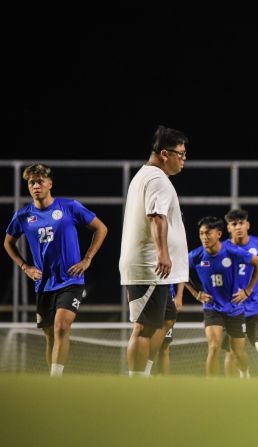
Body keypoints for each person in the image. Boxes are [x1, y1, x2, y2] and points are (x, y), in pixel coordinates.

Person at [4, 163, 108, 376]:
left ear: (50, 183)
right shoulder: (23, 216)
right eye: (31, 182)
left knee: (61, 326)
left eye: (40, 181)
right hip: (43, 284)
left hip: (71, 281)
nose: (36, 186)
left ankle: (56, 380)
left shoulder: (69, 207)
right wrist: (25, 267)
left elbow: (101, 228)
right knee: (50, 335)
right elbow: (8, 243)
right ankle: (53, 378)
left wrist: (87, 259)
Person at [119, 125, 189, 377]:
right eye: (180, 154)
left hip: (156, 270)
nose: (183, 160)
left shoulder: (149, 176)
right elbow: (156, 216)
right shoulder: (157, 178)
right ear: (163, 153)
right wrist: (163, 253)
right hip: (150, 266)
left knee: (166, 318)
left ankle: (145, 372)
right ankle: (136, 381)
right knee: (144, 328)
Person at [185, 216, 258, 376]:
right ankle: (212, 389)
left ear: (219, 234)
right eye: (201, 234)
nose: (204, 237)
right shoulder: (196, 256)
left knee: (237, 352)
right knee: (213, 347)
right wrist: (196, 293)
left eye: (208, 233)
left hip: (234, 309)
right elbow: (178, 272)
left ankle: (245, 373)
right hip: (212, 308)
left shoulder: (231, 251)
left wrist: (247, 290)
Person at [222, 209, 258, 379]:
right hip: (232, 309)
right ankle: (236, 385)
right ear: (228, 228)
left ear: (247, 225)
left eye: (241, 223)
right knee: (233, 352)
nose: (238, 227)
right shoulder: (223, 248)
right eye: (234, 224)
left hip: (256, 307)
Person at [154, 283, 184, 375]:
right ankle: (141, 374)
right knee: (144, 338)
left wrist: (179, 296)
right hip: (148, 297)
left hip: (167, 297)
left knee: (165, 345)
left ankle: (162, 380)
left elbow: (181, 271)